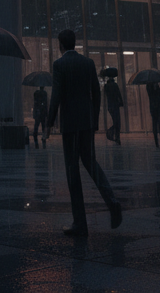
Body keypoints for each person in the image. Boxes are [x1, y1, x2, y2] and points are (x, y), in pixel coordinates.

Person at [48, 29, 123, 238]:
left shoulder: (59, 65)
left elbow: (56, 96)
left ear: (60, 45)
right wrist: (95, 119)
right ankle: (112, 202)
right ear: (74, 43)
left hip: (70, 124)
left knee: (73, 171)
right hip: (87, 122)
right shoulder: (88, 64)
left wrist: (49, 122)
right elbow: (96, 94)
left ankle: (80, 222)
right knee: (91, 163)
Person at [146, 82, 160, 147]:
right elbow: (156, 96)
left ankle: (159, 136)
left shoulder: (150, 86)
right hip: (155, 107)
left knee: (157, 122)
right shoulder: (150, 86)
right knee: (156, 122)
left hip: (155, 107)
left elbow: (159, 96)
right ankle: (158, 137)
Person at [103, 75, 123, 144]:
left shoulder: (106, 86)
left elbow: (107, 95)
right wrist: (121, 102)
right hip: (115, 105)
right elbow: (118, 94)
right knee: (117, 122)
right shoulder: (115, 85)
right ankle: (115, 136)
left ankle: (115, 136)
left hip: (110, 106)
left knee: (115, 121)